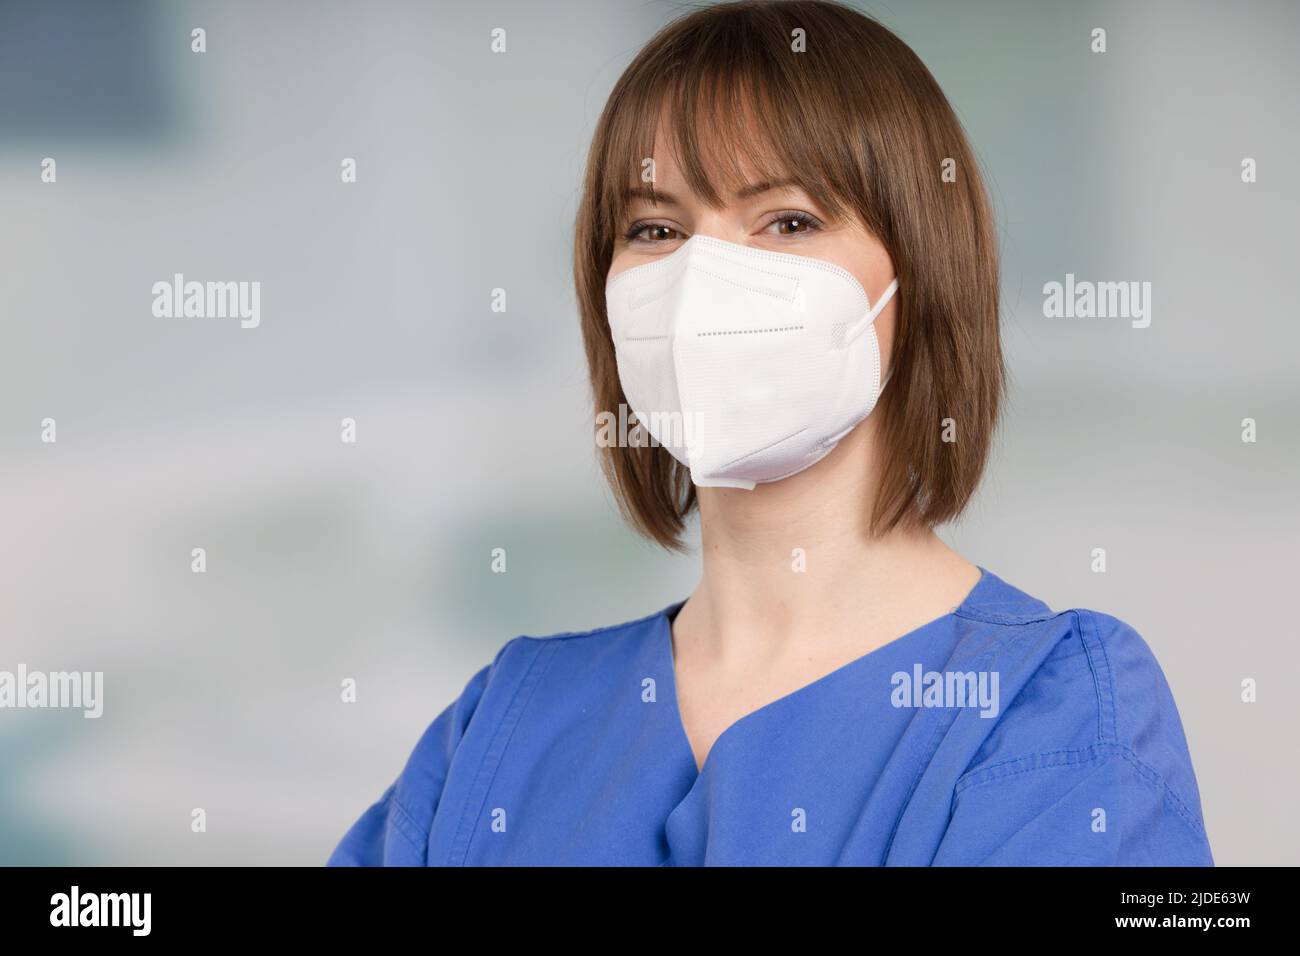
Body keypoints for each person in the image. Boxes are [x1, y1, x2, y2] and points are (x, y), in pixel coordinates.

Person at [329, 0, 1212, 866]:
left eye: (787, 221)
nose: (702, 277)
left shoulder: (1050, 712)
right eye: (656, 228)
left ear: (920, 273)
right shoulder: (503, 726)